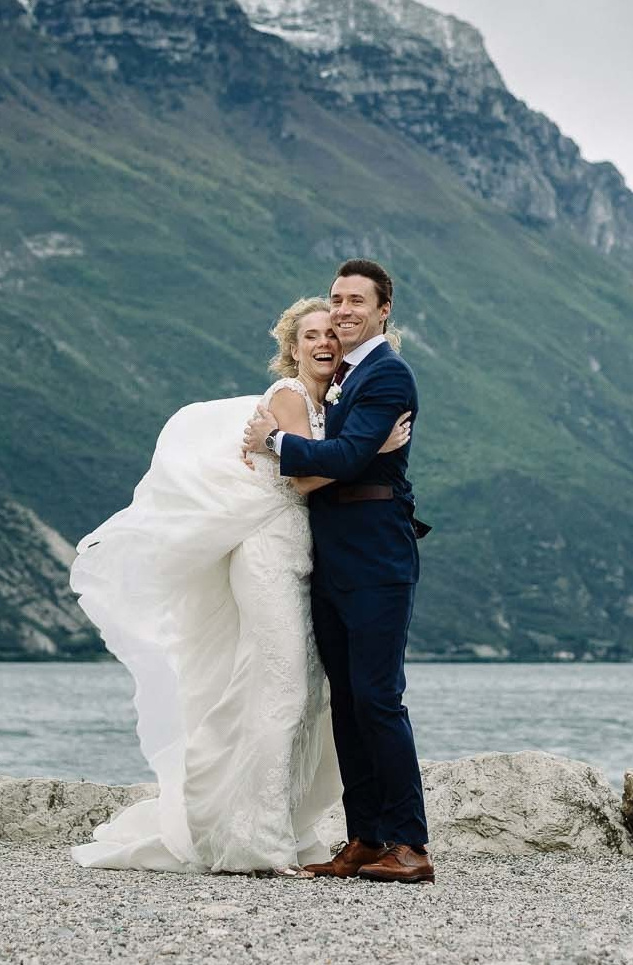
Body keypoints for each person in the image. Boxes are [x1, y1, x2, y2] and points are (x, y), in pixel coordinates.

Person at [69, 296, 411, 873]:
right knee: (284, 689)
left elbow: (321, 462)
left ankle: (261, 823)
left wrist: (358, 448)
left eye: (332, 333)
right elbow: (303, 480)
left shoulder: (333, 401)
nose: (324, 342)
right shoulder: (288, 397)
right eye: (310, 336)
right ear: (292, 347)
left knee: (287, 689)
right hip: (269, 553)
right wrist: (374, 449)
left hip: (306, 558)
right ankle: (258, 840)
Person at [242, 258, 433, 884]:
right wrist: (350, 455)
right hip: (330, 555)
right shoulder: (340, 379)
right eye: (336, 299)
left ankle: (410, 844)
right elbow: (340, 460)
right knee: (347, 704)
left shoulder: (387, 374)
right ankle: (365, 837)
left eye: (357, 301)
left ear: (383, 310)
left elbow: (345, 458)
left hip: (378, 555)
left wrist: (275, 442)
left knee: (379, 700)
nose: (344, 311)